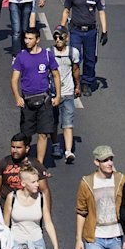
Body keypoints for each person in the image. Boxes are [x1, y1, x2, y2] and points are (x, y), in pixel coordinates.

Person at [75, 145, 125, 249]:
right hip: (95, 238)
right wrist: (78, 239)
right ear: (96, 162)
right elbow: (81, 212)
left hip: (116, 236)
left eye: (111, 159)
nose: (109, 163)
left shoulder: (121, 180)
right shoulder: (87, 183)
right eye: (105, 160)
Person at [4, 162, 60, 249]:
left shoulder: (41, 198)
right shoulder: (12, 198)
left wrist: (55, 247)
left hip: (36, 246)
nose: (37, 184)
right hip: (17, 246)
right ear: (23, 183)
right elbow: (5, 226)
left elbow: (48, 223)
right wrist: (3, 248)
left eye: (37, 181)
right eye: (33, 182)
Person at [11, 29, 60, 165]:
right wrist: (17, 97)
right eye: (26, 38)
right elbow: (14, 80)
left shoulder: (47, 55)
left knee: (43, 134)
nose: (27, 41)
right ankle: (24, 162)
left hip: (44, 99)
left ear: (37, 40)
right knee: (26, 135)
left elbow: (56, 75)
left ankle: (39, 164)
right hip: (27, 100)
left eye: (30, 38)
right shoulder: (21, 57)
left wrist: (58, 96)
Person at [60, 0, 107, 97]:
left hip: (91, 32)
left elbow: (101, 12)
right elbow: (66, 11)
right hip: (76, 31)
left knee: (90, 58)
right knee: (75, 57)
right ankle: (74, 82)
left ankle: (86, 82)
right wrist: (61, 28)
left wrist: (104, 31)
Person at [0, 133, 51, 209]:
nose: (15, 150)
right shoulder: (2, 164)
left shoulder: (36, 165)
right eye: (13, 147)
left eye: (18, 148)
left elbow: (44, 190)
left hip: (29, 207)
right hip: (7, 207)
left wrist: (46, 211)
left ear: (27, 148)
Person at [49, 24, 80, 163]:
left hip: (67, 93)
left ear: (66, 38)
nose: (58, 40)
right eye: (55, 37)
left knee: (67, 123)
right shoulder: (49, 53)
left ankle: (68, 151)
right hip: (52, 93)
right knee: (53, 122)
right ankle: (56, 145)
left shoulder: (73, 52)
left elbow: (76, 70)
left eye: (60, 37)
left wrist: (78, 86)